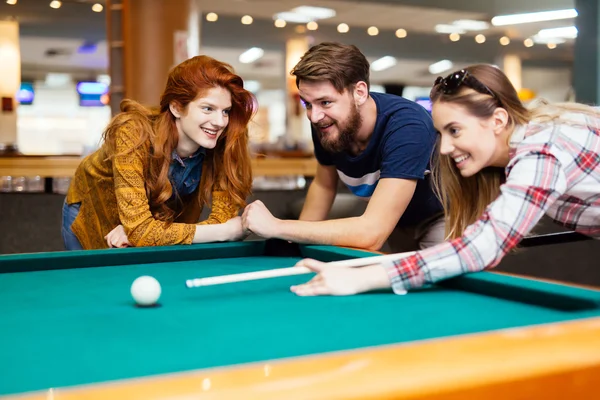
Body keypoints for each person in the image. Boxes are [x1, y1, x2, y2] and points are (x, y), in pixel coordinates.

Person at [290, 64, 600, 296]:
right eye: (441, 133)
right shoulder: (528, 143)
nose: (446, 148)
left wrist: (365, 277)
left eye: (454, 131)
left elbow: (481, 248)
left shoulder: (541, 151)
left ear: (498, 120)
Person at [242, 42, 444, 252]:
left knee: (436, 283)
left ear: (359, 92)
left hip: (441, 216)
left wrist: (278, 227)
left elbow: (371, 232)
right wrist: (296, 248)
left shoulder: (408, 126)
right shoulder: (326, 123)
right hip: (395, 221)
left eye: (326, 102)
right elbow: (324, 185)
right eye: (308, 104)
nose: (315, 116)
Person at [62, 55, 255, 250]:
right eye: (208, 108)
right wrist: (226, 232)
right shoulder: (133, 132)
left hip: (156, 221)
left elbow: (221, 219)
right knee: (99, 280)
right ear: (176, 107)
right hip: (94, 212)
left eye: (225, 111)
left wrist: (139, 231)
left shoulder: (225, 140)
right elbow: (224, 229)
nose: (220, 122)